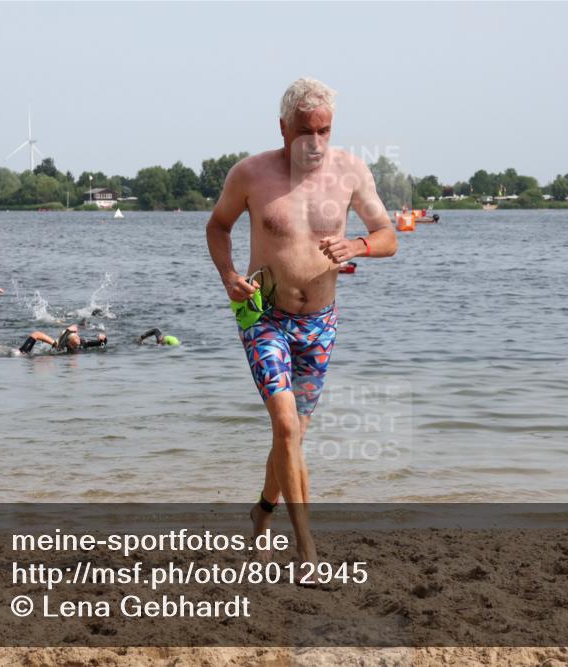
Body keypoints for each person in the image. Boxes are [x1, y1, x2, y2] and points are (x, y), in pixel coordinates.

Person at [205, 77, 397, 563]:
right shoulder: (250, 174)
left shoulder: (350, 171)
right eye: (306, 131)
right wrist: (228, 274)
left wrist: (357, 245)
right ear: (284, 127)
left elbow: (388, 236)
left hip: (320, 323)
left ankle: (262, 511)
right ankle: (307, 549)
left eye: (325, 131)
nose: (315, 142)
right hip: (262, 315)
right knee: (287, 430)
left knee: (292, 436)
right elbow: (218, 226)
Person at [18, 324, 106, 354]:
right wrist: (23, 353)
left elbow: (102, 343)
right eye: (75, 345)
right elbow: (36, 334)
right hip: (59, 342)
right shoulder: (60, 347)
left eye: (78, 343)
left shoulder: (83, 343)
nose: (78, 345)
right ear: (69, 344)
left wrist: (103, 338)